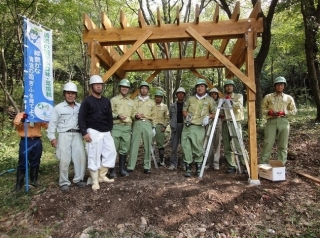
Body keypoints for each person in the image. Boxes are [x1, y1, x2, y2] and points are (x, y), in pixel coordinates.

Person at [78, 75, 116, 191]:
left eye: (100, 85)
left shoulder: (106, 101)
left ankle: (102, 176)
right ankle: (95, 181)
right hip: (93, 131)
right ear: (91, 87)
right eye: (96, 85)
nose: (99, 86)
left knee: (111, 152)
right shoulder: (87, 101)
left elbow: (109, 116)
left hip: (106, 131)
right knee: (93, 156)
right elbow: (81, 117)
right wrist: (84, 132)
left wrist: (110, 128)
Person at [47, 82, 86, 191]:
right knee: (64, 159)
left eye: (73, 93)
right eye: (68, 93)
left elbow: (85, 120)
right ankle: (64, 182)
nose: (70, 95)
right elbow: (52, 124)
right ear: (64, 94)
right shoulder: (58, 108)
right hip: (64, 135)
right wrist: (52, 137)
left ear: (76, 95)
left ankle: (79, 179)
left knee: (80, 157)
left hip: (77, 134)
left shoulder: (80, 107)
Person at [181, 79, 215, 177]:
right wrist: (187, 116)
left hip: (199, 127)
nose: (200, 88)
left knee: (197, 147)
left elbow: (214, 112)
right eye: (198, 86)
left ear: (205, 88)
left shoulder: (209, 100)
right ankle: (188, 169)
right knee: (185, 146)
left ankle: (198, 168)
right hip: (187, 126)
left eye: (202, 86)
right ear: (196, 88)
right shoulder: (190, 99)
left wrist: (208, 117)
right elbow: (184, 110)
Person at [260, 76, 297, 165]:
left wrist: (284, 113)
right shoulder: (268, 97)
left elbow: (294, 110)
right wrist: (269, 112)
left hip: (283, 122)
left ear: (284, 86)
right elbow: (262, 110)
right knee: (268, 143)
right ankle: (263, 163)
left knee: (283, 145)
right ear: (274, 86)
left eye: (281, 84)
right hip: (271, 122)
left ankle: (281, 164)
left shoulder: (288, 98)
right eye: (277, 85)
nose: (279, 86)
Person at [13, 112, 48, 192]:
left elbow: (46, 126)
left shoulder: (38, 113)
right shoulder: (21, 114)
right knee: (22, 161)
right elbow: (17, 125)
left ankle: (34, 180)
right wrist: (23, 119)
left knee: (36, 160)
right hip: (25, 141)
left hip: (36, 140)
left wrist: (45, 118)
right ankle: (19, 184)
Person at [126, 81, 156, 174]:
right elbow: (131, 113)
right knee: (134, 145)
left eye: (145, 88)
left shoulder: (152, 102)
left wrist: (154, 127)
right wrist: (135, 116)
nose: (144, 90)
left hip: (147, 123)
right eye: (142, 88)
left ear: (148, 90)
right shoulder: (134, 101)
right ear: (140, 90)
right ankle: (131, 166)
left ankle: (147, 166)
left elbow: (154, 115)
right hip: (137, 123)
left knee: (147, 146)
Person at [109, 78, 136, 178]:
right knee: (113, 149)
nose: (125, 89)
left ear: (128, 89)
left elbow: (133, 113)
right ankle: (111, 170)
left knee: (124, 149)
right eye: (123, 87)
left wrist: (136, 116)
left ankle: (122, 169)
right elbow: (109, 113)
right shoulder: (114, 100)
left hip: (127, 127)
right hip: (116, 126)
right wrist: (117, 116)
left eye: (126, 87)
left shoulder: (131, 102)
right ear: (120, 88)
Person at [221, 79, 246, 174]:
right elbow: (222, 110)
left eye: (230, 86)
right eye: (227, 86)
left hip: (235, 122)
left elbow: (238, 106)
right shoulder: (222, 98)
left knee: (239, 144)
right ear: (225, 88)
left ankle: (245, 164)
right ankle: (232, 165)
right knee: (227, 145)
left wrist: (230, 101)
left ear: (233, 87)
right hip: (225, 122)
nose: (229, 87)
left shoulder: (238, 96)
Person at [168, 87, 186, 170]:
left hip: (185, 127)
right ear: (176, 95)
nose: (180, 94)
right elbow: (171, 117)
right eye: (179, 93)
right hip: (175, 127)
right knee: (174, 146)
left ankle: (184, 163)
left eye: (182, 93)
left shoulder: (187, 105)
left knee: (185, 146)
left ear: (184, 95)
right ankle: (173, 163)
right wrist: (172, 125)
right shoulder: (172, 106)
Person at [206, 87, 222, 171]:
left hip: (218, 124)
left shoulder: (220, 102)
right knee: (209, 144)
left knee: (217, 144)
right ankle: (209, 163)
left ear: (217, 95)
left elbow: (222, 114)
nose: (213, 95)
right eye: (212, 94)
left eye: (215, 94)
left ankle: (216, 163)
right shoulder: (207, 102)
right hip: (209, 124)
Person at [153, 90, 169, 166]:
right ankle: (152, 160)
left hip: (160, 126)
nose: (158, 98)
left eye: (159, 97)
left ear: (162, 98)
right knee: (150, 143)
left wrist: (164, 126)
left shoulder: (165, 106)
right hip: (151, 126)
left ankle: (161, 160)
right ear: (155, 97)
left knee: (160, 144)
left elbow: (167, 117)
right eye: (157, 97)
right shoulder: (151, 105)